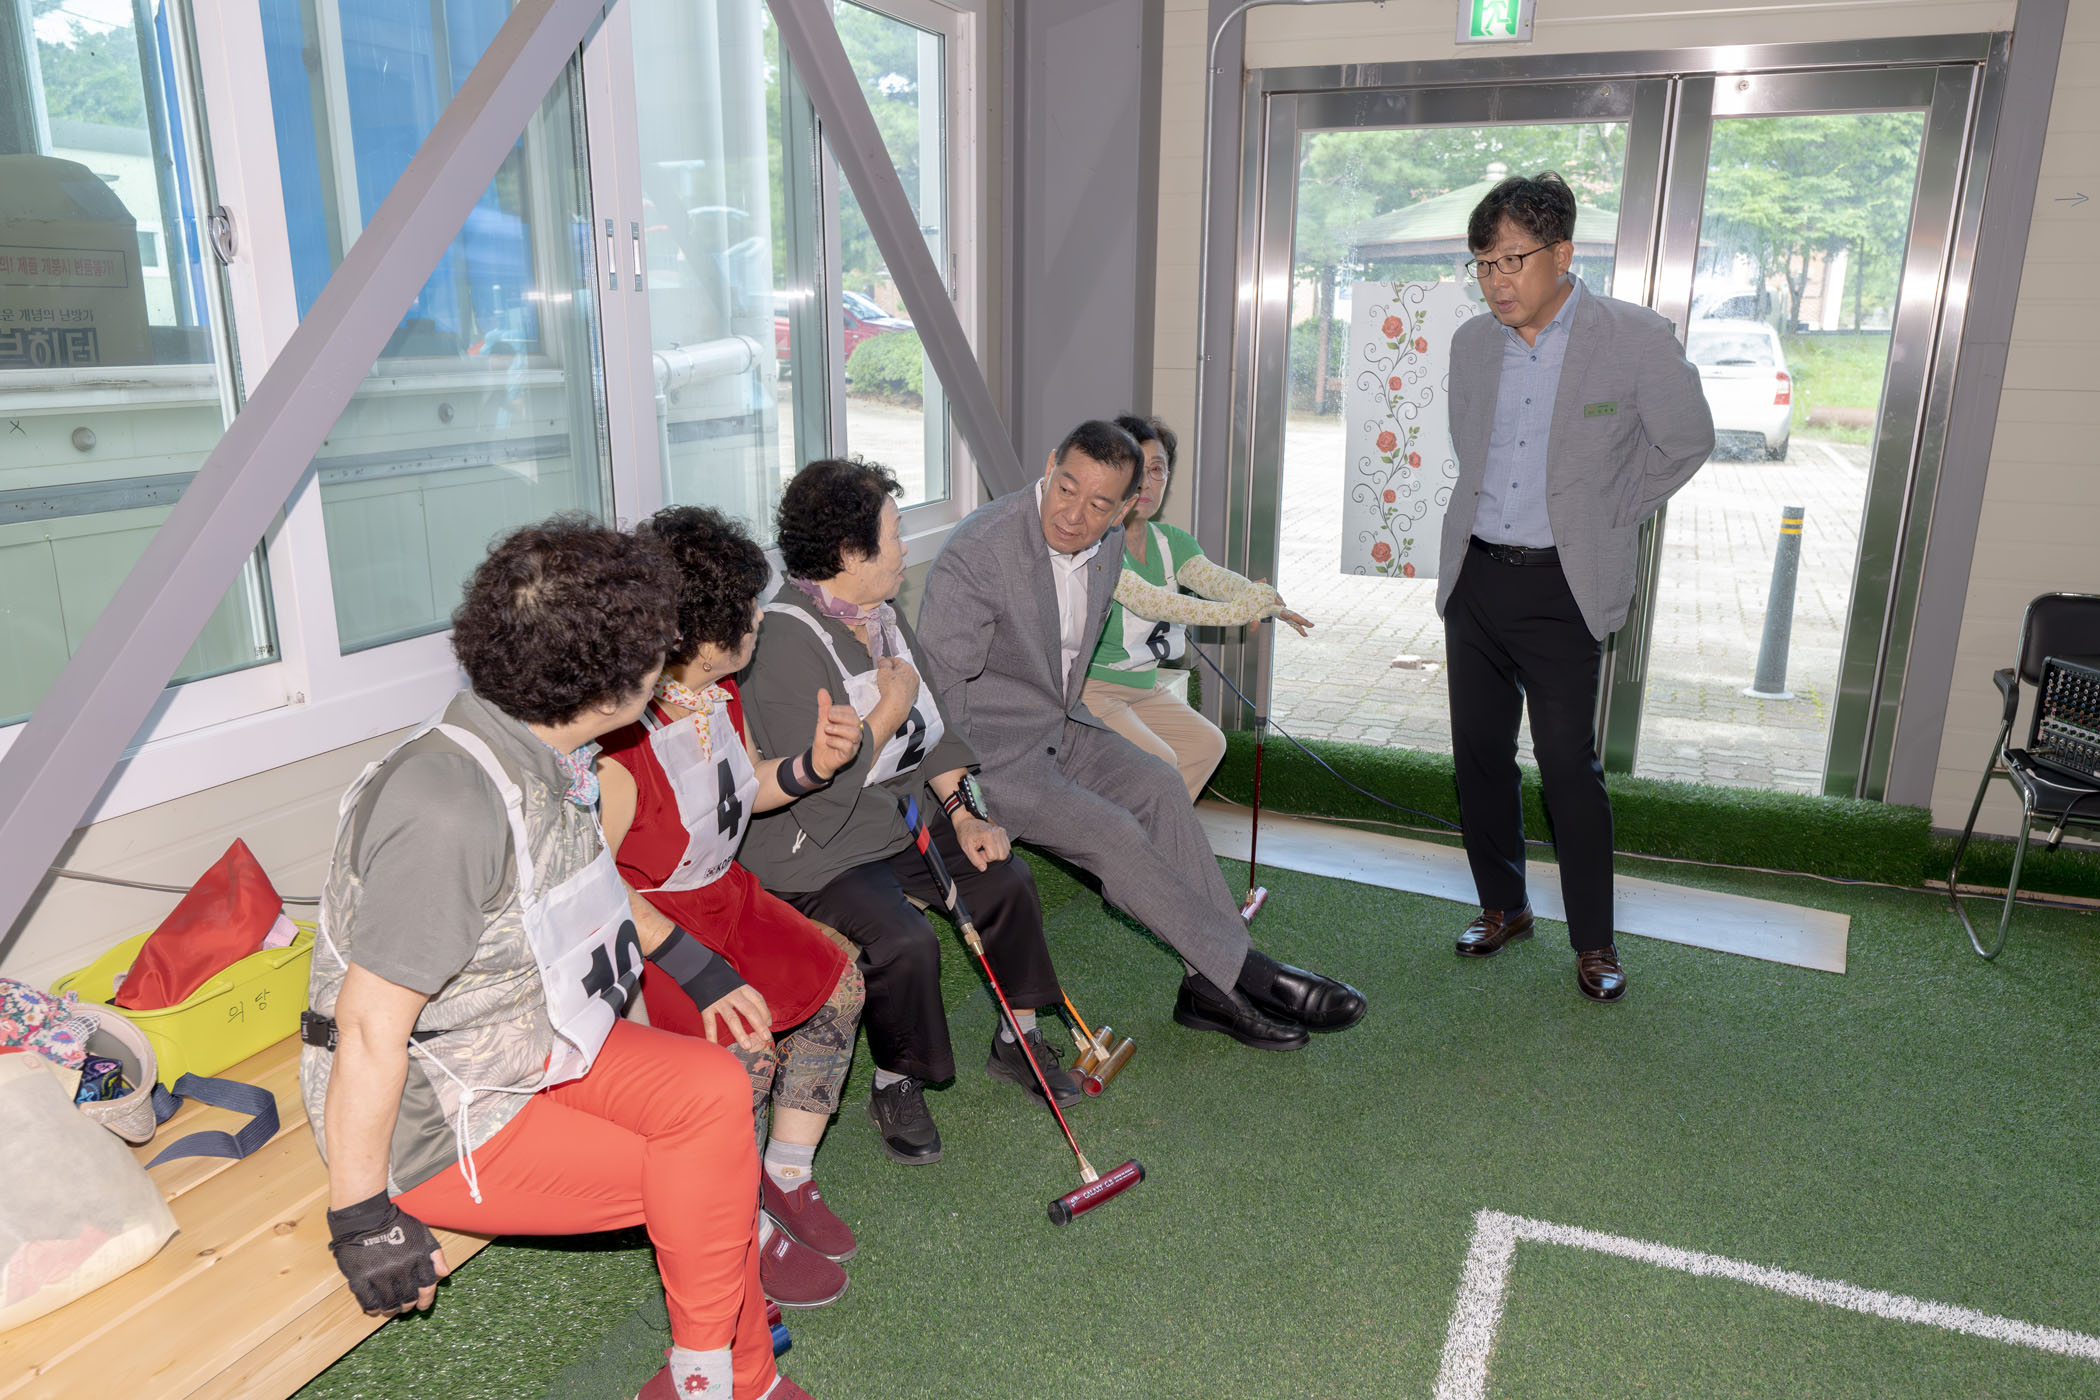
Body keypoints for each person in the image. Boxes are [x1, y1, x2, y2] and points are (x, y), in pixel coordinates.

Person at [299, 519, 810, 1400]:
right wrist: (360, 1216)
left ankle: (717, 1376)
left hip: (535, 1036)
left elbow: (570, 897)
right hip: (444, 1110)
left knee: (714, 1090)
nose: (668, 661)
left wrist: (694, 963)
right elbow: (370, 1023)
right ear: (610, 684)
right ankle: (719, 1382)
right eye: (655, 649)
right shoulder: (448, 809)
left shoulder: (550, 750)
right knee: (707, 1181)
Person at [916, 420, 1367, 1053]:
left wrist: (1254, 600)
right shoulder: (980, 551)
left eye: (1099, 504)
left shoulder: (1107, 547)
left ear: (1126, 506)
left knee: (1159, 783)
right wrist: (963, 802)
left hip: (1063, 727)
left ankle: (1206, 987)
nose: (1074, 515)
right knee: (1113, 832)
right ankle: (1244, 971)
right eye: (1066, 489)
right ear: (1050, 465)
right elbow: (937, 697)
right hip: (990, 758)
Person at [737, 458, 1078, 1168]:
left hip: (895, 819)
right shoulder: (782, 642)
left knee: (1005, 879)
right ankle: (895, 1083)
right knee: (906, 941)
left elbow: (939, 732)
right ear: (848, 553)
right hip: (819, 848)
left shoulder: (882, 618)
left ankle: (1017, 1039)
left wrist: (965, 814)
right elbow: (816, 785)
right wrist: (887, 713)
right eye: (893, 536)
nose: (903, 550)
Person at [1436, 170, 1713, 1003]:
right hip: (1477, 576)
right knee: (1479, 757)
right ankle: (1504, 905)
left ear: (1562, 254)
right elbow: (1470, 447)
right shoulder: (1472, 344)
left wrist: (1610, 512)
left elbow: (1687, 441)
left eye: (1512, 260)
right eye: (1483, 264)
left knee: (1566, 767)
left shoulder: (1634, 338)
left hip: (1565, 588)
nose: (1496, 281)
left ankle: (1594, 941)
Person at [597, 505, 867, 1310]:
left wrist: (814, 766)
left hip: (726, 896)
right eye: (748, 606)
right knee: (739, 1058)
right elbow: (587, 886)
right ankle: (735, 1218)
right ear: (702, 628)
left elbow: (747, 790)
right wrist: (677, 971)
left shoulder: (717, 692)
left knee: (841, 982)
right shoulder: (619, 740)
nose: (760, 616)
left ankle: (785, 1173)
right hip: (651, 930)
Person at [1079, 413, 1314, 800]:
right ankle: (1135, 831)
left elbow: (1215, 580)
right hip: (1093, 690)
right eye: (1135, 467)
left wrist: (1261, 599)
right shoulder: (1098, 544)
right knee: (1160, 760)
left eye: (1157, 469)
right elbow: (1156, 603)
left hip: (1144, 687)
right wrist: (1241, 610)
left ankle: (1157, 830)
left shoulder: (1171, 541)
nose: (1146, 481)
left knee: (1207, 744)